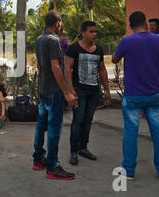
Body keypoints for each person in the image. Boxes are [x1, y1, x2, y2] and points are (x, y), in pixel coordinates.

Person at [112, 11, 159, 181]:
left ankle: (129, 171)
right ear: (146, 22)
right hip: (154, 94)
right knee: (158, 132)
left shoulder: (126, 41)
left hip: (133, 95)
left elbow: (115, 59)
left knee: (130, 132)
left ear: (130, 26)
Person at [33, 11, 78, 180]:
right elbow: (55, 67)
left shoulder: (39, 40)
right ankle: (52, 166)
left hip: (43, 90)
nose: (61, 25)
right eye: (61, 22)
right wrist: (66, 91)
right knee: (53, 129)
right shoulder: (54, 41)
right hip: (54, 93)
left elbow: (39, 66)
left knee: (40, 124)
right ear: (57, 23)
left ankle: (38, 159)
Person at [65, 21, 111, 166]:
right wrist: (71, 91)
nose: (94, 34)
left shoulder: (99, 50)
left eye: (95, 31)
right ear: (83, 33)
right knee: (78, 120)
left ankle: (83, 148)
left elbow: (102, 70)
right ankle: (73, 151)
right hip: (79, 91)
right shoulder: (73, 48)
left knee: (87, 121)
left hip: (94, 91)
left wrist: (107, 90)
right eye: (91, 31)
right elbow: (67, 69)